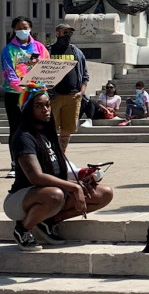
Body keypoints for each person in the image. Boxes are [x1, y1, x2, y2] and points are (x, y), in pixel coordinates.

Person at [4, 82, 113, 251]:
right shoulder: (23, 137)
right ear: (27, 109)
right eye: (39, 106)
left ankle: (49, 222)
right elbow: (36, 177)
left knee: (104, 193)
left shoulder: (48, 134)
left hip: (51, 195)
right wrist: (75, 188)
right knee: (55, 195)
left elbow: (60, 168)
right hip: (22, 198)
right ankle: (23, 229)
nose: (46, 109)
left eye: (48, 105)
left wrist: (83, 175)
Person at [2, 17, 50, 178]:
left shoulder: (39, 47)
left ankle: (42, 162)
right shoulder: (9, 50)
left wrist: (41, 85)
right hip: (16, 95)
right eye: (18, 27)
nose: (22, 30)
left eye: (25, 27)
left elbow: (47, 68)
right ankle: (16, 164)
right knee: (17, 130)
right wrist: (24, 87)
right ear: (14, 30)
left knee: (40, 127)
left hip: (38, 94)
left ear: (30, 28)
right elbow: (9, 73)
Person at [47, 23, 89, 154]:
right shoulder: (48, 51)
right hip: (53, 96)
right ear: (57, 33)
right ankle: (50, 154)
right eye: (65, 32)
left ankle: (61, 154)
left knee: (67, 129)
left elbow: (85, 75)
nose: (68, 36)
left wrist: (81, 92)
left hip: (73, 96)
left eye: (70, 33)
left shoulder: (76, 52)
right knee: (50, 128)